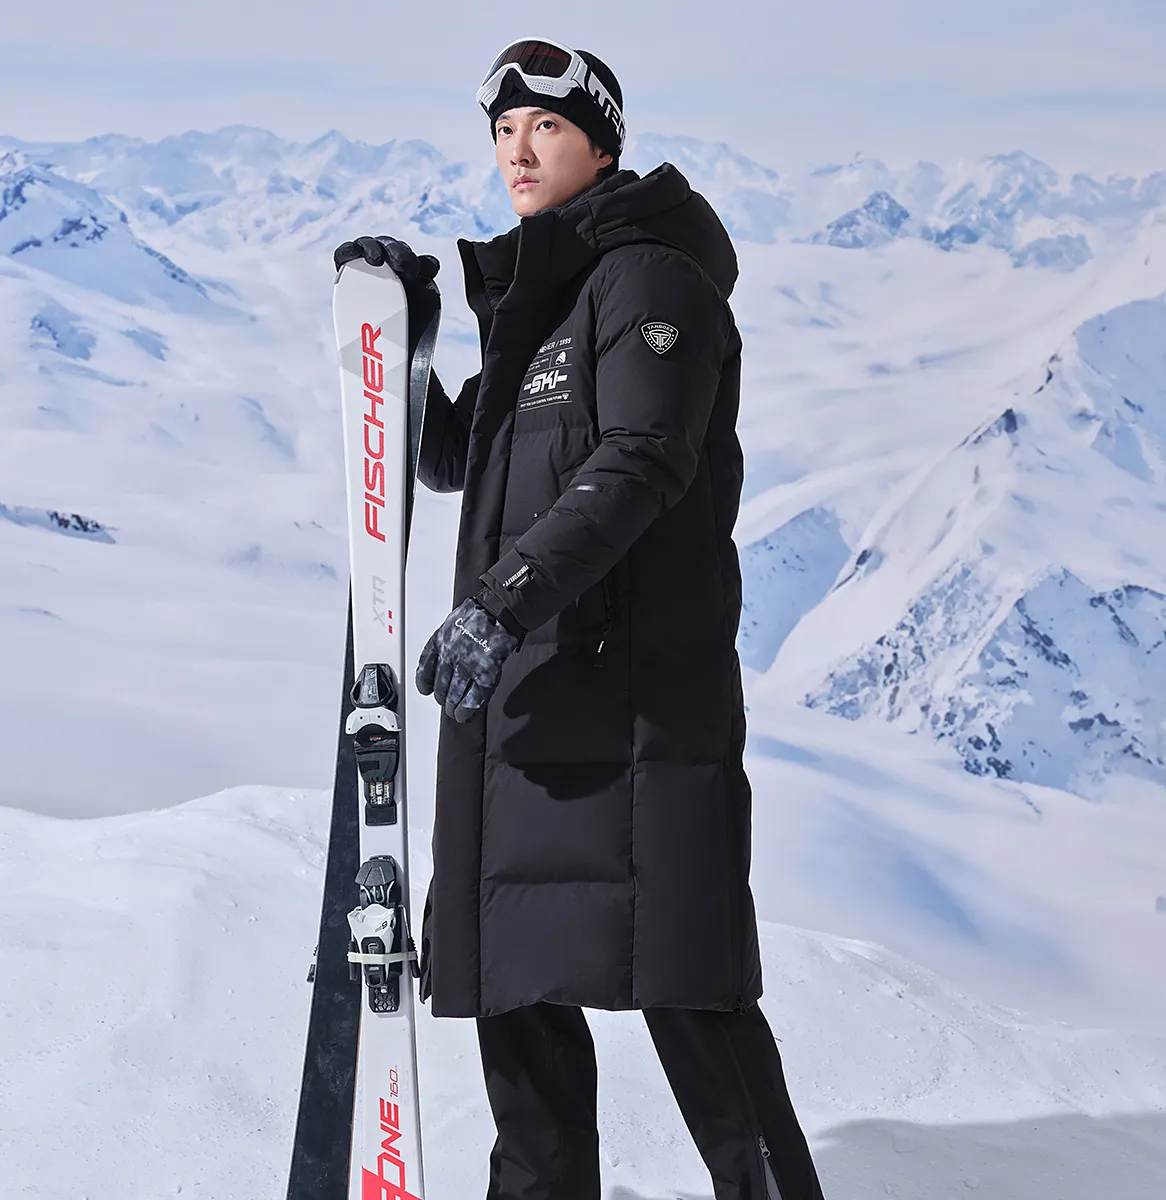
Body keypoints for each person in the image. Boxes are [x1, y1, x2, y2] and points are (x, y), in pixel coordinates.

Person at [334, 37, 826, 1200]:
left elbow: (643, 458)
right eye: (503, 131)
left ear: (602, 145)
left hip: (636, 716)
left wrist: (499, 606)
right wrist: (398, 336)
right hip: (533, 714)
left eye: (545, 127)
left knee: (693, 1003)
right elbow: (459, 459)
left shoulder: (651, 279)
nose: (518, 150)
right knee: (523, 1014)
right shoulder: (547, 297)